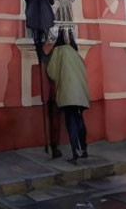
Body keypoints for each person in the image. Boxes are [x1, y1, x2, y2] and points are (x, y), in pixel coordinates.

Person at [46, 30, 89, 163]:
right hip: (81, 94)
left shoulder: (58, 51)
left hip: (68, 94)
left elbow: (52, 73)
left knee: (71, 123)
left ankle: (75, 153)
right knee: (80, 121)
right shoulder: (75, 52)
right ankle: (84, 150)